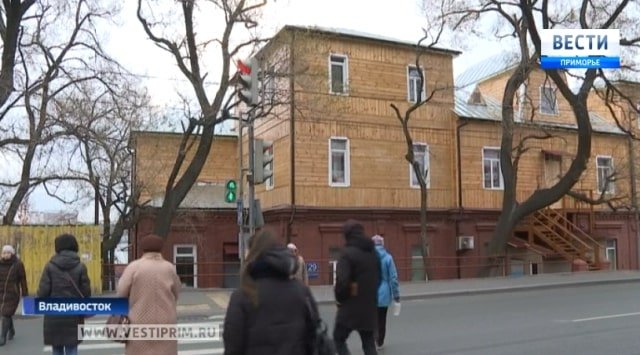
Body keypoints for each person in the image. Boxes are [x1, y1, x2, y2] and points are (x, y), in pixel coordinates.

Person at [224, 229, 318, 355]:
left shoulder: (242, 296)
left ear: (252, 255)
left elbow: (233, 347)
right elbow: (313, 338)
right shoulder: (301, 291)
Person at [117, 234, 181, 355]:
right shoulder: (169, 268)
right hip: (166, 322)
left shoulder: (134, 267)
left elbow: (121, 293)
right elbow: (177, 293)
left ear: (143, 248)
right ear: (161, 248)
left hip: (138, 321)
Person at [38, 234, 91, 355]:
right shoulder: (81, 267)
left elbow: (42, 293)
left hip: (54, 314)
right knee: (72, 348)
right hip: (74, 314)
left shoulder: (50, 267)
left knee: (56, 348)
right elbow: (86, 292)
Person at [333, 220, 381, 355]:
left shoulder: (347, 254)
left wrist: (340, 298)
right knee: (368, 343)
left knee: (339, 338)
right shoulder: (373, 253)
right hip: (369, 307)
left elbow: (342, 282)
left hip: (350, 307)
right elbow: (380, 278)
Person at [371, 235, 400, 350]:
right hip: (384, 293)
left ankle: (374, 337)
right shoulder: (388, 258)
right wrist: (396, 295)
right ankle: (380, 341)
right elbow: (393, 278)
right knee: (382, 318)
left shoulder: (369, 258)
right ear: (382, 245)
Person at [0, 245, 28, 345]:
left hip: (13, 294)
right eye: (4, 252)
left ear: (12, 254)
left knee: (6, 313)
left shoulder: (18, 264)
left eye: (8, 252)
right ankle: (11, 330)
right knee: (5, 313)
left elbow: (23, 279)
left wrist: (25, 293)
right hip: (1, 293)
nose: (6, 254)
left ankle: (2, 337)